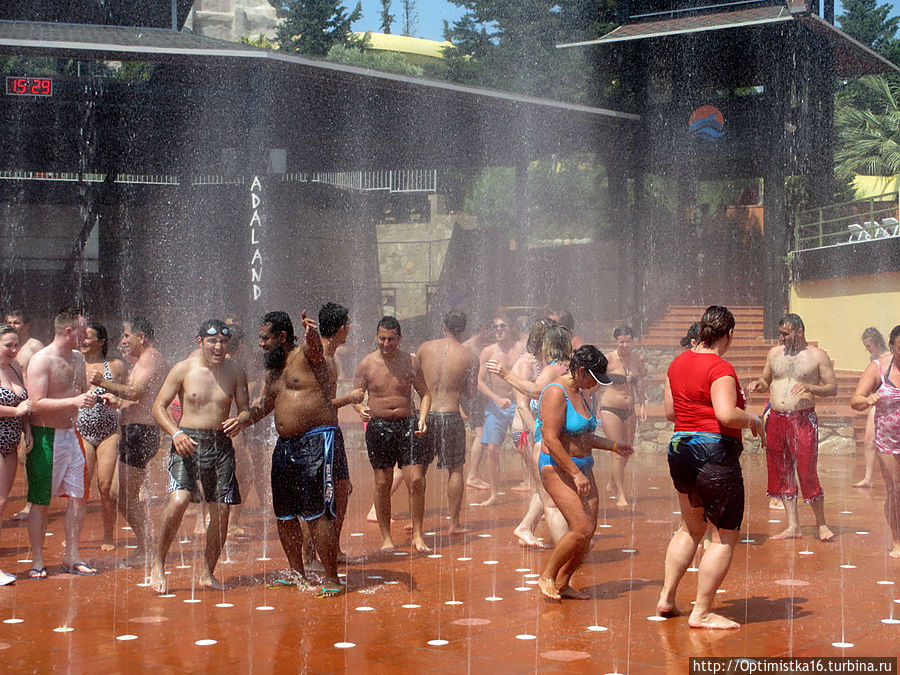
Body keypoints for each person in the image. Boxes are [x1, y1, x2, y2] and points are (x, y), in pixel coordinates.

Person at [657, 305, 765, 629]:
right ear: (728, 334)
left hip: (680, 449)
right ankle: (701, 612)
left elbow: (670, 413)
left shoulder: (676, 364)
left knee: (690, 528)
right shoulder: (720, 368)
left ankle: (667, 597)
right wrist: (754, 420)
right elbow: (726, 414)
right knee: (723, 536)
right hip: (714, 454)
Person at [248, 310, 347, 597]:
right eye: (258, 339)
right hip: (286, 446)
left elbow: (316, 350)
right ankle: (295, 573)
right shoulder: (274, 370)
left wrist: (312, 334)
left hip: (316, 441)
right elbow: (265, 405)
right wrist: (241, 420)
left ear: (281, 336)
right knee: (285, 515)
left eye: (265, 338)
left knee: (317, 514)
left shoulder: (306, 354)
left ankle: (331, 578)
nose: (261, 344)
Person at [149, 320, 249, 594]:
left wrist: (240, 419)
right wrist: (175, 433)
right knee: (180, 500)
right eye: (212, 342)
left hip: (220, 444)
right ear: (200, 341)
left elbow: (246, 409)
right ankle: (158, 563)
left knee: (222, 511)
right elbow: (158, 406)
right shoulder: (184, 369)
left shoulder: (236, 371)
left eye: (223, 342)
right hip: (187, 441)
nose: (218, 347)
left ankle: (207, 572)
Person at [534, 345, 631, 600]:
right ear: (580, 371)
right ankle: (547, 575)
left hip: (583, 465)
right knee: (579, 527)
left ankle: (563, 583)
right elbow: (552, 440)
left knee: (588, 533)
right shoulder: (556, 392)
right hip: (557, 467)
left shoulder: (583, 391)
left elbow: (584, 436)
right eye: (594, 379)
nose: (595, 385)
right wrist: (575, 473)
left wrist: (613, 446)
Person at [749, 313, 836, 541]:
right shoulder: (774, 354)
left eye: (785, 334)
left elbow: (832, 387)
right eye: (781, 333)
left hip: (803, 419)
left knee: (807, 471)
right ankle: (793, 526)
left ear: (799, 331)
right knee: (782, 471)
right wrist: (760, 384)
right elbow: (767, 379)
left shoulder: (818, 356)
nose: (782, 338)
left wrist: (811, 388)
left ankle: (822, 524)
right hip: (777, 419)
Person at [25, 308, 98, 578]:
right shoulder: (41, 360)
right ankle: (38, 560)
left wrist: (96, 398)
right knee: (40, 500)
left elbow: (79, 392)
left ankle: (72, 555)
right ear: (68, 331)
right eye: (83, 330)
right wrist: (75, 402)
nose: (86, 335)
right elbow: (36, 404)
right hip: (46, 436)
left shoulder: (78, 358)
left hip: (71, 434)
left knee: (79, 496)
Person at [353, 316, 432, 552]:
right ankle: (386, 537)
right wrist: (361, 409)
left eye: (391, 340)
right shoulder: (367, 364)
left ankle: (418, 535)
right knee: (382, 483)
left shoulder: (410, 362)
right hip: (379, 426)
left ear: (400, 338)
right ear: (377, 337)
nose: (386, 344)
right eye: (382, 339)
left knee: (416, 480)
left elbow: (425, 393)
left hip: (407, 424)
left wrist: (422, 417)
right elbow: (357, 395)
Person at [92, 317, 167, 561]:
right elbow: (138, 397)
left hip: (141, 432)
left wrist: (104, 383)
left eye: (127, 335)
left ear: (141, 336)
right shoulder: (146, 360)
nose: (123, 340)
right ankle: (148, 544)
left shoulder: (150, 358)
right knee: (118, 493)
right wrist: (119, 402)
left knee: (124, 496)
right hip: (137, 430)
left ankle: (148, 547)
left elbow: (136, 391)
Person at [416, 309, 478, 536]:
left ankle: (417, 525)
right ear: (464, 330)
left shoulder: (424, 349)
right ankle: (454, 524)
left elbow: (414, 380)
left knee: (419, 470)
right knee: (455, 470)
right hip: (451, 416)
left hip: (426, 414)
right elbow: (471, 393)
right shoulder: (469, 357)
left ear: (444, 326)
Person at [317, 302, 364, 562]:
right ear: (341, 328)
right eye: (348, 324)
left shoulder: (331, 357)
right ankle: (312, 554)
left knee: (343, 488)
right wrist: (350, 398)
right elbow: (317, 404)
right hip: (321, 433)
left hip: (332, 432)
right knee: (321, 493)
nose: (350, 328)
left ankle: (332, 548)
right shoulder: (322, 359)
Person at [851, 324, 900, 558]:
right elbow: (856, 400)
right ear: (892, 347)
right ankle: (897, 540)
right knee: (896, 490)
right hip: (889, 440)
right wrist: (869, 399)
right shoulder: (878, 368)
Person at [76, 322, 126, 551]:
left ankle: (108, 536)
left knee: (105, 487)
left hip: (109, 432)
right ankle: (74, 536)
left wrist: (117, 401)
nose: (82, 341)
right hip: (82, 431)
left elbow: (131, 394)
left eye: (87, 337)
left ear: (101, 341)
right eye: (81, 337)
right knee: (80, 487)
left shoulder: (115, 367)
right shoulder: (75, 364)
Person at [473, 312, 519, 506]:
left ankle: (537, 491)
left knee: (526, 448)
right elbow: (479, 381)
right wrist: (497, 398)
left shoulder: (521, 349)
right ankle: (493, 494)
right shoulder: (488, 351)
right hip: (496, 405)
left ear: (511, 328)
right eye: (496, 327)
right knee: (492, 449)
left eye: (503, 326)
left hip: (518, 405)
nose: (499, 330)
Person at [600, 325, 646, 507]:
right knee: (618, 451)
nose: (625, 345)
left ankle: (613, 482)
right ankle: (621, 493)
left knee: (627, 450)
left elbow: (640, 383)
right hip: (610, 408)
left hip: (629, 409)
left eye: (628, 341)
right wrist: (594, 406)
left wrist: (642, 404)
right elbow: (596, 384)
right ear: (616, 341)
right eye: (622, 342)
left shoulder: (637, 359)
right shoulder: (608, 359)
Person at [0, 324, 32, 584]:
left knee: (2, 502)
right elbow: (19, 407)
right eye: (7, 345)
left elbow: (26, 403)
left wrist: (27, 430)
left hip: (11, 442)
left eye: (15, 345)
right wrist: (16, 413)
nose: (13, 349)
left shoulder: (14, 368)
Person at [6, 310, 43, 523]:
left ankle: (31, 504)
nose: (13, 325)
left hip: (29, 406)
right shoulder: (6, 346)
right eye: (9, 322)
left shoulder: (34, 346)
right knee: (20, 457)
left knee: (27, 454)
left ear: (27, 324)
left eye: (17, 322)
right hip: (12, 405)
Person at [852, 327, 890, 489]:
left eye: (869, 346)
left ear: (877, 343)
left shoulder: (890, 357)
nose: (867, 349)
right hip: (877, 401)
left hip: (892, 402)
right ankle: (868, 478)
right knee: (869, 440)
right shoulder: (873, 358)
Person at [462, 320, 493, 490]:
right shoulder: (466, 348)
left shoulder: (482, 346)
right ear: (482, 328)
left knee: (480, 435)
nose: (492, 332)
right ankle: (472, 476)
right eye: (490, 329)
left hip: (477, 396)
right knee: (480, 434)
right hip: (470, 396)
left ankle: (473, 474)